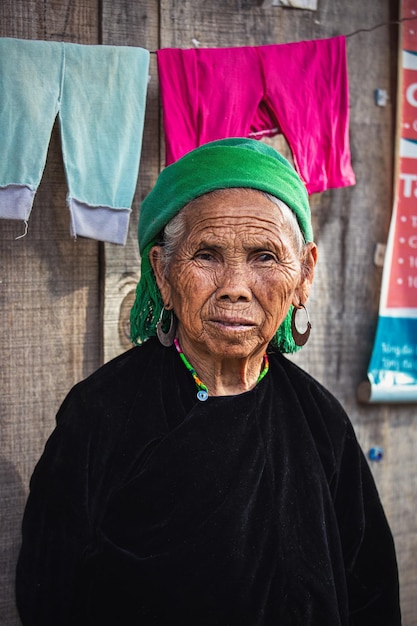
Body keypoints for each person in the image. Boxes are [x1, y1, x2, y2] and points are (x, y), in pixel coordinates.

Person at [16, 138, 401, 625]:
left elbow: (373, 595)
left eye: (264, 256)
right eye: (207, 255)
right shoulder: (99, 415)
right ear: (162, 273)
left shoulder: (320, 422)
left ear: (303, 274)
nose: (236, 287)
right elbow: (47, 597)